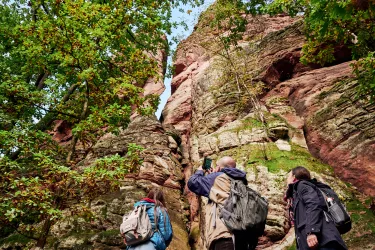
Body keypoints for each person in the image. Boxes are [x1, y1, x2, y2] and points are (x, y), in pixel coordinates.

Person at [187, 156, 259, 250]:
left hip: (225, 236)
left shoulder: (217, 178)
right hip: (242, 237)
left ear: (219, 168)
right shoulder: (241, 182)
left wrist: (201, 170)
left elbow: (192, 183)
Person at [285, 166, 347, 250]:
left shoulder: (301, 185)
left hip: (323, 242)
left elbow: (313, 204)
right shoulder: (300, 191)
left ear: (294, 177)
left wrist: (312, 231)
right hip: (322, 242)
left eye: (288, 176)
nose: (287, 180)